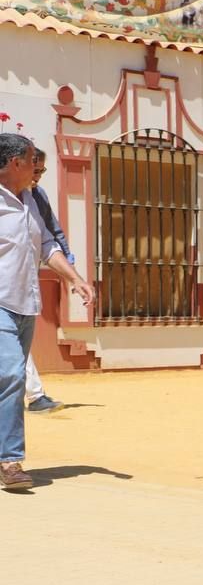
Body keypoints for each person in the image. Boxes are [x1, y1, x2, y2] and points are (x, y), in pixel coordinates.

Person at [0, 134, 94, 491]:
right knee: (10, 375)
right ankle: (10, 461)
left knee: (9, 381)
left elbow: (47, 244)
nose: (38, 169)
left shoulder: (34, 198)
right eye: (32, 162)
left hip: (25, 302)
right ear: (15, 164)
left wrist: (75, 279)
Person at [25, 147, 71, 414]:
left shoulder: (37, 196)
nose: (38, 175)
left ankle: (35, 395)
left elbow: (51, 231)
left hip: (20, 282)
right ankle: (35, 395)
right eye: (35, 169)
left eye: (42, 170)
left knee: (14, 342)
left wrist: (67, 262)